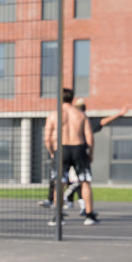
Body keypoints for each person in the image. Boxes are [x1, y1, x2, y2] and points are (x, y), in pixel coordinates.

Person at [58, 99, 131, 208]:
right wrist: (91, 153)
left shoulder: (65, 118)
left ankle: (67, 203)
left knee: (68, 179)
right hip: (79, 152)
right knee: (82, 180)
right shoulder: (83, 119)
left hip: (66, 152)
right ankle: (77, 204)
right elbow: (93, 133)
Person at [43, 88, 98, 225]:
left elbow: (47, 138)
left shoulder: (54, 115)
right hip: (78, 148)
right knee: (85, 182)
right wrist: (90, 153)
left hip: (61, 149)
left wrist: (51, 151)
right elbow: (89, 136)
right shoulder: (80, 115)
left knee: (59, 183)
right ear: (72, 98)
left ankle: (58, 217)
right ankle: (89, 216)